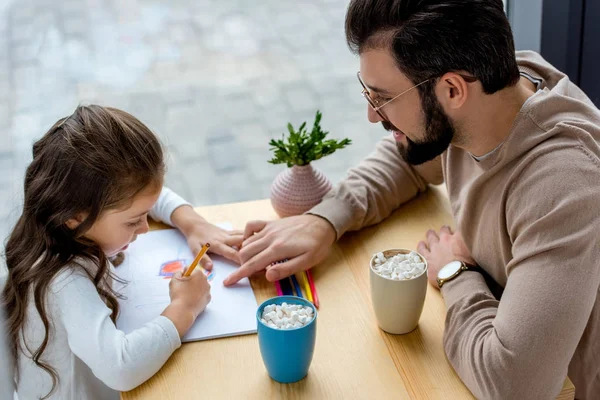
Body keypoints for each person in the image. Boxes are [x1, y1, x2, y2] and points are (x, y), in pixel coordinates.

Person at [224, 1, 600, 398]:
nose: (372, 115)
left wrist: (455, 273)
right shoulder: (494, 89)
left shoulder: (563, 184)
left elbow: (513, 384)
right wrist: (326, 220)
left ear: (452, 90)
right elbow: (409, 157)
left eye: (383, 97)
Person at [1, 105, 243, 399]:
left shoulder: (56, 217)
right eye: (132, 222)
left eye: (144, 216)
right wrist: (185, 307)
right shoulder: (64, 282)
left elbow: (148, 197)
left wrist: (191, 222)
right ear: (76, 215)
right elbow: (121, 367)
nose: (143, 229)